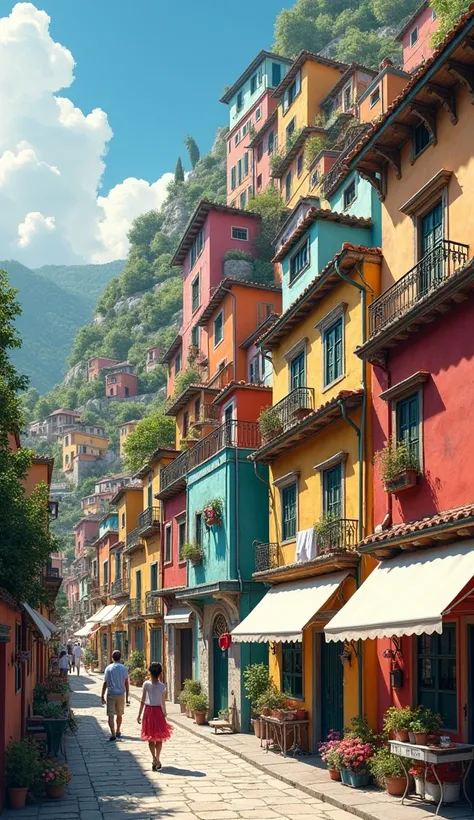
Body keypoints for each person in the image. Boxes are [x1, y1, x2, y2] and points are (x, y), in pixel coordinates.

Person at [137, 662, 173, 770]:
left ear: (150, 672)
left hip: (148, 711)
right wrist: (165, 713)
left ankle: (153, 758)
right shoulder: (162, 686)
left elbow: (143, 700)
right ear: (160, 673)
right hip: (158, 712)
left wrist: (139, 715)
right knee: (159, 738)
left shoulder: (146, 684)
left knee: (150, 738)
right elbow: (163, 702)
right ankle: (157, 758)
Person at [101, 650, 130, 741]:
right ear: (120, 658)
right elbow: (126, 683)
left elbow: (105, 683)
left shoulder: (108, 668)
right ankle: (118, 730)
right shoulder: (124, 668)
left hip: (111, 694)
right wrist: (127, 695)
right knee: (119, 714)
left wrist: (102, 695)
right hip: (121, 694)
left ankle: (113, 733)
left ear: (112, 657)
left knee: (110, 715)